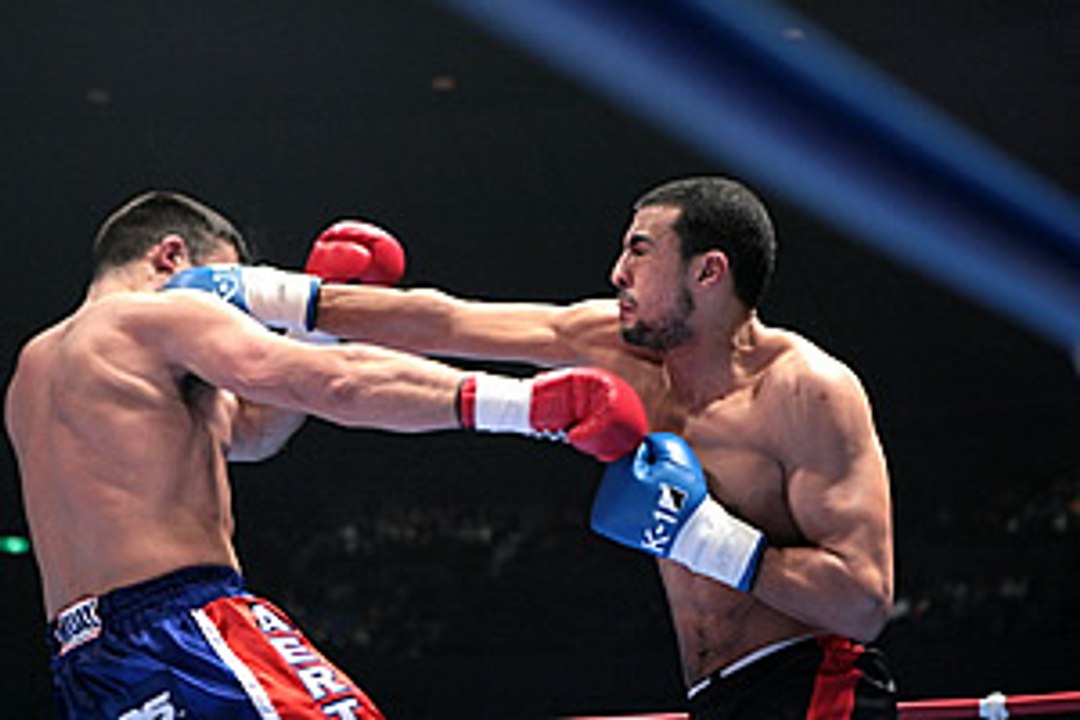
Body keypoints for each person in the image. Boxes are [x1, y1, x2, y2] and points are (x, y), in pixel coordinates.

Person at [3, 190, 648, 719]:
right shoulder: (156, 319)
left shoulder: (35, 369)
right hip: (187, 628)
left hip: (86, 664)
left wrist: (323, 317)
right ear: (172, 257)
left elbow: (252, 432)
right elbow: (326, 380)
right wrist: (523, 406)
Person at [270, 176, 898, 718]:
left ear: (708, 272)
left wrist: (700, 537)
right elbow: (450, 321)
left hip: (817, 688)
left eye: (640, 252)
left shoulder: (806, 390)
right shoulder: (617, 345)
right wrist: (276, 298)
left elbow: (863, 602)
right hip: (714, 694)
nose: (617, 273)